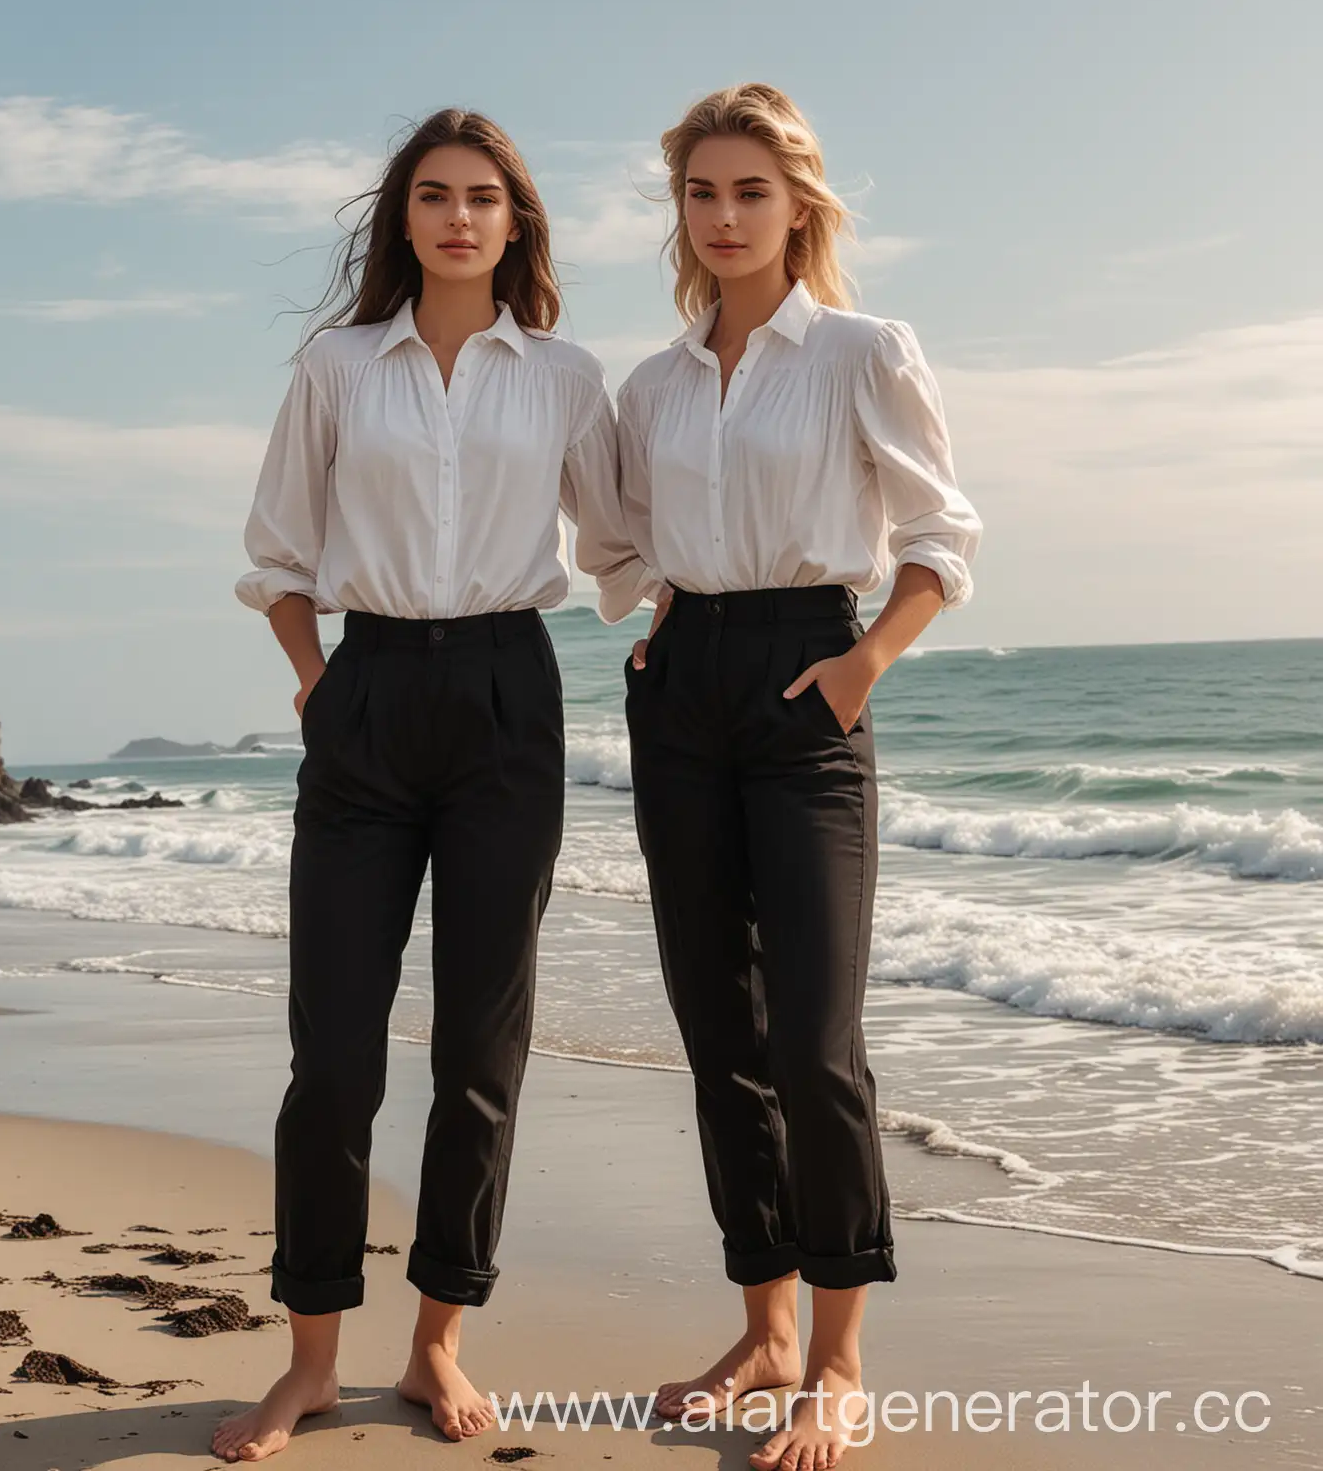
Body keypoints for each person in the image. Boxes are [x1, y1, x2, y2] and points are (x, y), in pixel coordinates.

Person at [217, 107, 642, 1464]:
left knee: (481, 1051)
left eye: (484, 198)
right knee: (331, 1056)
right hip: (370, 694)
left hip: (511, 701)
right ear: (403, 219)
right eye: (434, 196)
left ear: (518, 222)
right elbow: (279, 553)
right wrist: (317, 681)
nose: (460, 217)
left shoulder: (568, 377)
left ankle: (439, 1341)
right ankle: (311, 1364)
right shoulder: (338, 369)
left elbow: (623, 550)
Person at [605, 82, 982, 1470]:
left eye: (748, 192)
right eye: (700, 193)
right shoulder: (651, 383)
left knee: (816, 1040)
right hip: (687, 682)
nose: (721, 217)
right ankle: (761, 1329)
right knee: (721, 1033)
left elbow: (945, 534)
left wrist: (864, 661)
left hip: (813, 674)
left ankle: (836, 1362)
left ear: (799, 204)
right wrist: (661, 618)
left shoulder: (863, 352)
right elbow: (619, 532)